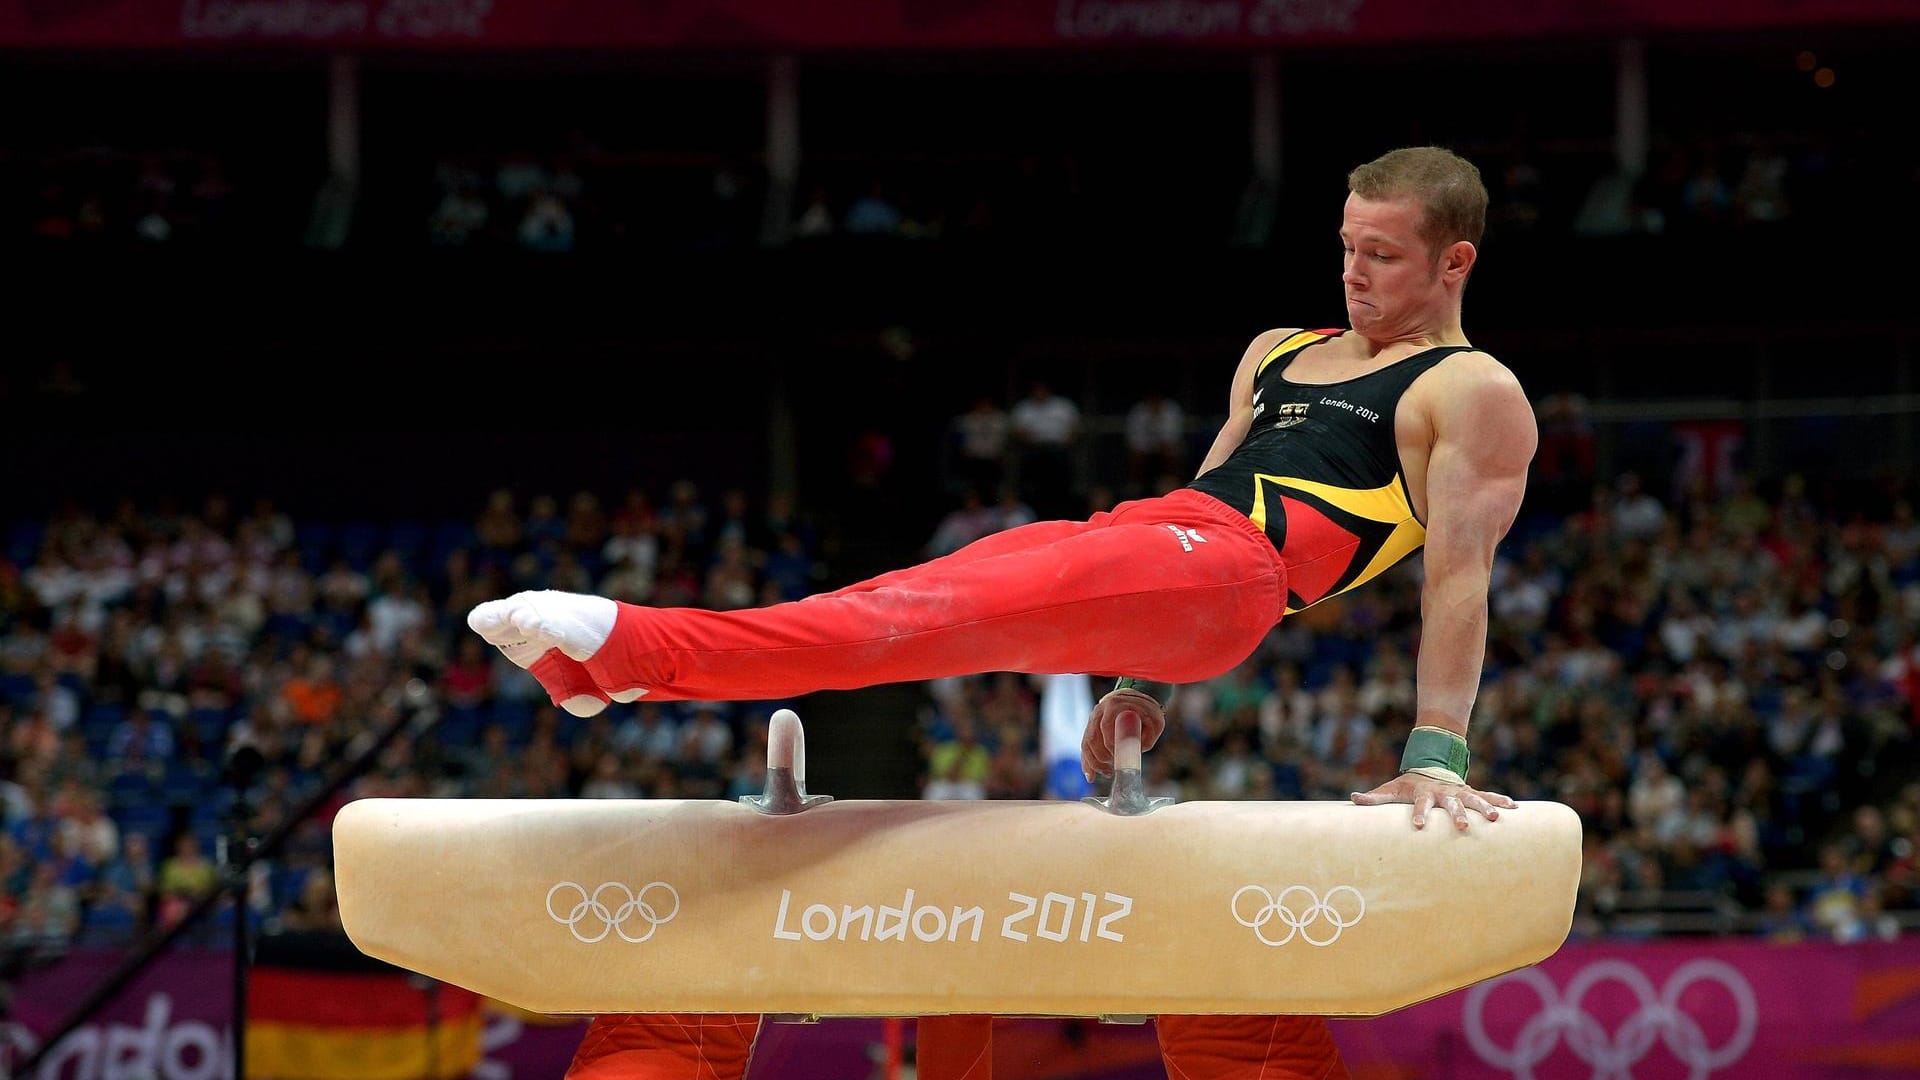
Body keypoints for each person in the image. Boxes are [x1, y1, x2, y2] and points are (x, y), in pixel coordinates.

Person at [469, 146, 1532, 1080]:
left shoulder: (1470, 391)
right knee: (908, 599)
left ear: (1455, 262)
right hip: (1160, 541)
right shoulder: (1278, 351)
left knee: (914, 617)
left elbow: (1458, 576)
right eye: (1346, 245)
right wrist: (1136, 688)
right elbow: (1206, 488)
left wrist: (1436, 751)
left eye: (1383, 255)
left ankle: (640, 647)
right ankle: (606, 669)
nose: (1353, 272)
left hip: (1236, 580)